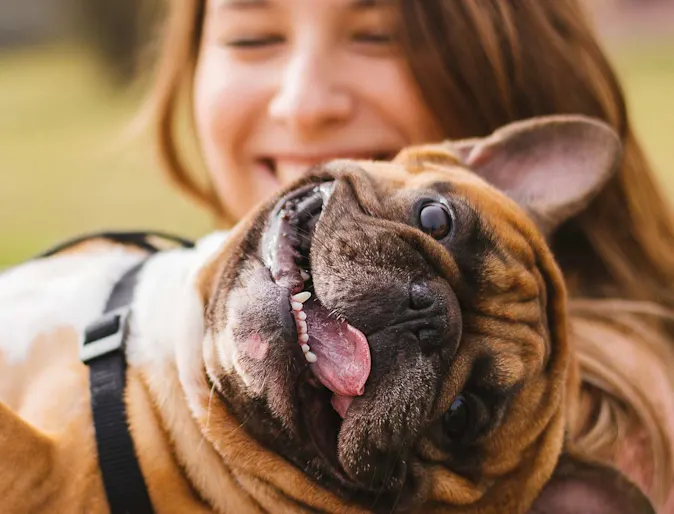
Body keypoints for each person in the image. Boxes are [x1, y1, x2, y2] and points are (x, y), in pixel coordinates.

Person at [144, 0, 674, 509]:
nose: (302, 105)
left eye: (378, 37)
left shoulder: (612, 430)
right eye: (252, 38)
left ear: (513, 67)